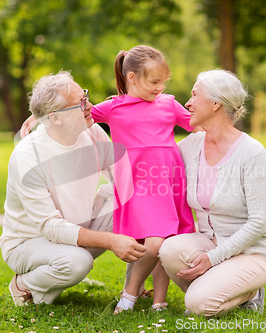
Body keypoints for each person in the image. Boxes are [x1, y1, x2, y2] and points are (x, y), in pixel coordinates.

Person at [21, 45, 197, 313]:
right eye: (154, 81)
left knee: (166, 241)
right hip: (138, 186)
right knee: (153, 243)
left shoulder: (169, 104)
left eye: (164, 81)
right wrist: (39, 115)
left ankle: (159, 301)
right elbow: (77, 112)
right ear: (132, 77)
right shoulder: (114, 108)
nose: (160, 87)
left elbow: (196, 123)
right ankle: (129, 295)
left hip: (167, 182)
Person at [0, 71, 146, 306]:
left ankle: (134, 288)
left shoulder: (92, 131)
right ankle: (22, 285)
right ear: (55, 118)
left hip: (77, 227)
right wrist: (111, 241)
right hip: (29, 243)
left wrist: (105, 195)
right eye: (80, 103)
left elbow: (123, 178)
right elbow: (50, 227)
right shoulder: (27, 156)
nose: (90, 106)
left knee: (136, 203)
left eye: (84, 96)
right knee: (78, 262)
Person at [159, 69, 266, 316]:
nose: (188, 103)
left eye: (194, 95)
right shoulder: (191, 146)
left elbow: (260, 221)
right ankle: (219, 286)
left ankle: (249, 292)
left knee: (198, 305)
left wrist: (214, 258)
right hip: (209, 242)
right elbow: (155, 163)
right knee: (169, 249)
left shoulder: (252, 153)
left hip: (252, 251)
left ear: (215, 103)